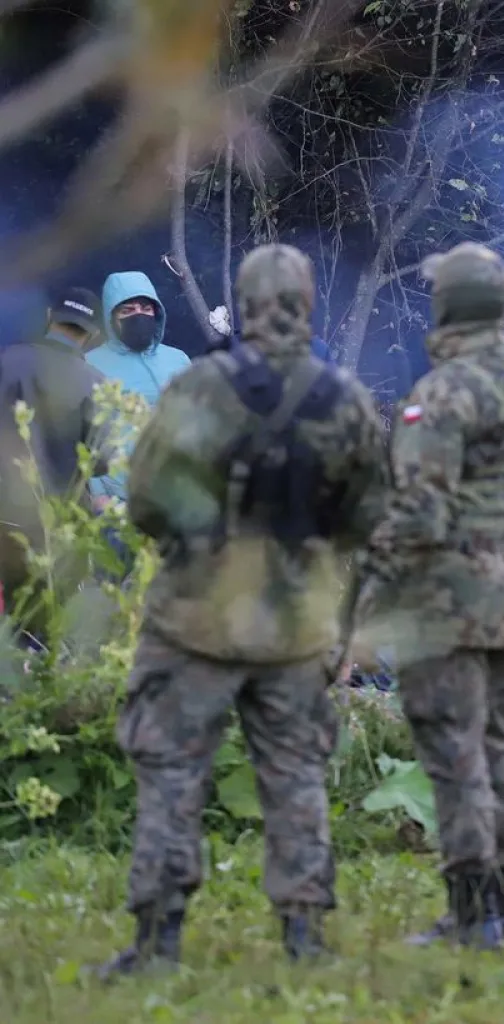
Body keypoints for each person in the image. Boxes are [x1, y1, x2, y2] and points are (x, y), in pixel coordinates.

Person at [96, 245, 389, 978]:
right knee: (294, 776)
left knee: (170, 771)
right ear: (305, 305)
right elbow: (368, 521)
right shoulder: (344, 400)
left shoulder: (197, 389)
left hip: (196, 617)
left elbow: (143, 501)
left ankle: (158, 943)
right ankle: (304, 940)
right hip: (294, 625)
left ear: (246, 305)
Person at [358, 242, 504, 952]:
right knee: (499, 742)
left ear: (449, 303)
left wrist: (369, 603)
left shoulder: (441, 393)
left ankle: (473, 913)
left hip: (447, 595)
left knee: (454, 753)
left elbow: (417, 515)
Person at [0, 288, 109, 634]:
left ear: (50, 317)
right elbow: (102, 460)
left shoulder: (6, 360)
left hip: (6, 518)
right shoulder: (95, 383)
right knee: (52, 624)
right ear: (92, 334)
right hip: (63, 522)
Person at [86, 271, 191, 504]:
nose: (139, 315)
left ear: (156, 311)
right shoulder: (90, 364)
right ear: (111, 317)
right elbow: (86, 434)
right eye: (127, 310)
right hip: (121, 497)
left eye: (145, 308)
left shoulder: (178, 359)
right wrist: (98, 492)